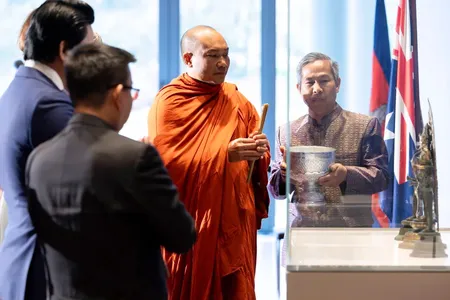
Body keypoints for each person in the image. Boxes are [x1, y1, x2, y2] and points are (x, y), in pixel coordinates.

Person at [25, 42, 196, 300]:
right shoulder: (135, 157)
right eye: (131, 90)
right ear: (117, 94)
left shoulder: (38, 159)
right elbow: (182, 236)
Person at [147, 25, 271, 300]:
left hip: (234, 217)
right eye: (213, 56)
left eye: (226, 55)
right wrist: (226, 154)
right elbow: (165, 162)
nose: (223, 63)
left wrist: (259, 150)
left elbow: (255, 161)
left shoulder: (237, 100)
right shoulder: (169, 100)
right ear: (188, 59)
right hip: (193, 220)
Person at [0, 1, 96, 299]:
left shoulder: (19, 89)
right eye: (90, 47)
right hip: (46, 269)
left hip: (22, 258)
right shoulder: (47, 104)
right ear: (65, 49)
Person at [268, 52, 389, 228]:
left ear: (338, 84)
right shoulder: (286, 131)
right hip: (301, 232)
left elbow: (383, 178)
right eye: (309, 82)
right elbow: (276, 191)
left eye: (324, 81)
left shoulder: (364, 125)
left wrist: (346, 174)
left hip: (351, 233)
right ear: (299, 88)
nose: (316, 88)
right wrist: (284, 175)